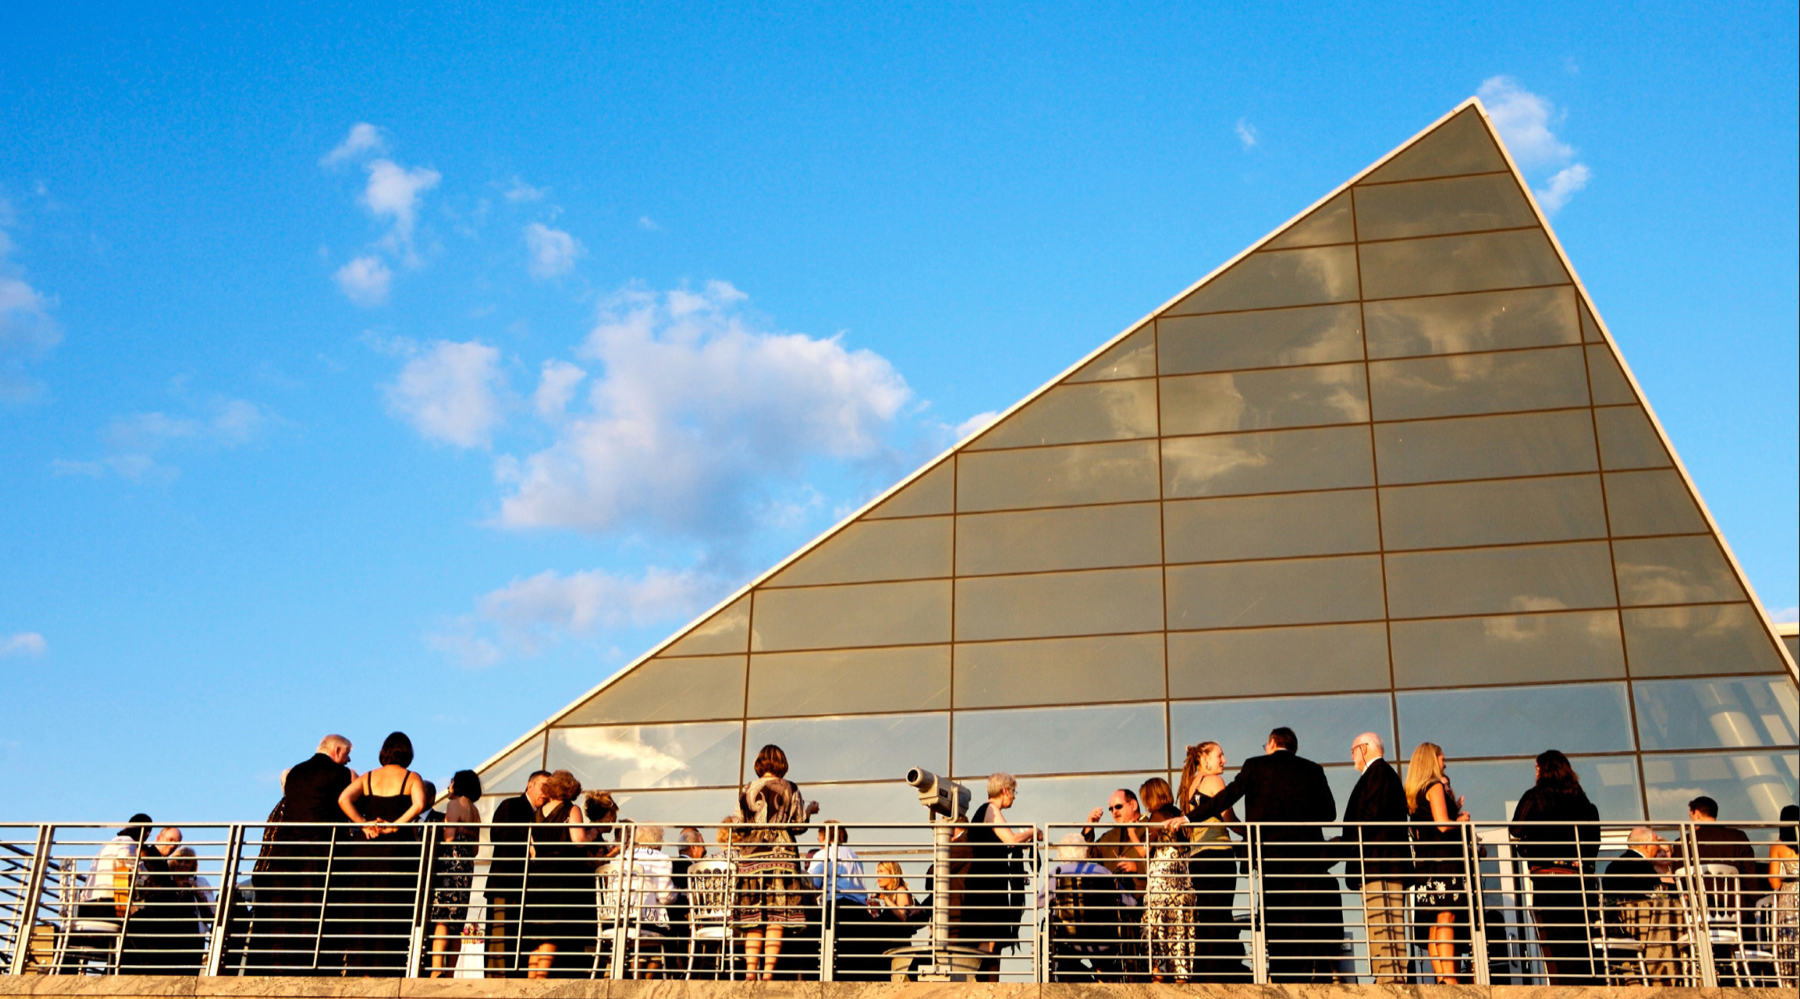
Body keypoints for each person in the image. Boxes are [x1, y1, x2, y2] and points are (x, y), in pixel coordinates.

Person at [1169, 726, 1338, 983]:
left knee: (1277, 917)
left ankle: (1283, 979)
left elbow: (1225, 799)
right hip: (1306, 859)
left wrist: (1188, 817)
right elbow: (1329, 813)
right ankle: (1310, 979)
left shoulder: (1255, 767)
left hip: (1270, 856)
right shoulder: (1313, 769)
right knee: (1305, 916)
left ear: (1271, 744)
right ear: (1292, 747)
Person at [256, 734, 353, 971]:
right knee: (315, 913)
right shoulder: (339, 774)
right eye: (347, 754)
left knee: (286, 913)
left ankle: (282, 965)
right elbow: (342, 807)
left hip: (285, 853)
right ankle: (314, 965)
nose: (348, 760)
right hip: (319, 852)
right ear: (337, 750)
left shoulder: (295, 773)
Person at [336, 731, 428, 975]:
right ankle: (386, 967)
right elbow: (419, 803)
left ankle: (359, 967)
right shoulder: (411, 778)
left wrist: (363, 823)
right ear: (407, 752)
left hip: (365, 851)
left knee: (362, 907)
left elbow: (344, 798)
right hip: (397, 851)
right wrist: (397, 823)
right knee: (391, 907)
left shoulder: (367, 777)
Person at [1508, 749, 1600, 985]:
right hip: (1578, 881)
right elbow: (1593, 836)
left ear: (1543, 769)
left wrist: (1528, 846)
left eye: (1537, 768)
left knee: (1556, 948)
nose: (1535, 772)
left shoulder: (1536, 795)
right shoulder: (1581, 798)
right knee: (1582, 945)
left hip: (1549, 880)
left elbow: (1515, 829)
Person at [733, 744, 816, 981]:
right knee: (776, 917)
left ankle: (750, 973)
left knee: (753, 918)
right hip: (782, 857)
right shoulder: (791, 788)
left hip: (752, 857)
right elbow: (798, 825)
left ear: (760, 763)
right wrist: (809, 811)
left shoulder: (747, 789)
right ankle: (768, 974)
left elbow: (738, 824)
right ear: (782, 763)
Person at [1339, 732, 1408, 984]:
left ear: (1365, 748)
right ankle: (1386, 976)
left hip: (1381, 864)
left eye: (1353, 750)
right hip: (1377, 864)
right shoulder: (1380, 774)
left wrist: (1345, 840)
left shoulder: (1379, 773)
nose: (1352, 756)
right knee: (1379, 924)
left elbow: (1371, 816)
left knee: (1385, 924)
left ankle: (1390, 979)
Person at [1404, 741, 1470, 984]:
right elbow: (1442, 824)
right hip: (1443, 862)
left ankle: (1442, 977)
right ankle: (1450, 979)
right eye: (1442, 759)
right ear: (1432, 760)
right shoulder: (1435, 786)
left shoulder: (1415, 793)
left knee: (1433, 921)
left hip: (1426, 864)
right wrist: (1461, 821)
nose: (1445, 763)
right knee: (1446, 917)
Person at [964, 772, 1038, 981]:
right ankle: (980, 985)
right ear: (1005, 790)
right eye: (1013, 792)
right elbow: (1011, 840)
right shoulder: (991, 809)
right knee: (988, 938)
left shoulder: (984, 811)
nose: (1014, 797)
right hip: (987, 885)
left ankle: (985, 984)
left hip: (985, 882)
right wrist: (1033, 831)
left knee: (990, 937)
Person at [521, 770, 594, 978]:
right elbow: (578, 839)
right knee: (552, 932)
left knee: (537, 936)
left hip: (538, 876)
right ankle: (541, 979)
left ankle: (531, 980)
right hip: (560, 876)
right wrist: (592, 833)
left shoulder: (537, 812)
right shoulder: (571, 810)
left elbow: (532, 850)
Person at [1081, 787, 1146, 978]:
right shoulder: (1108, 837)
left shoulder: (1151, 827)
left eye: (1118, 806)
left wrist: (1138, 867)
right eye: (1110, 809)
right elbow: (1088, 857)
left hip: (1143, 901)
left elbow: (1164, 859)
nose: (1114, 812)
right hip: (1113, 909)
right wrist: (1089, 827)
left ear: (1133, 804)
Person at [1600, 827, 1679, 984]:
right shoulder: (1643, 867)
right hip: (1641, 927)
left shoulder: (1612, 866)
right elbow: (1656, 894)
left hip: (1617, 927)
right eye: (1656, 844)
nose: (1657, 849)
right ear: (1647, 846)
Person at [1139, 777, 1196, 983]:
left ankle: (1158, 971)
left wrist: (1131, 831)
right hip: (1182, 882)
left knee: (1156, 923)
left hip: (1161, 881)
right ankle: (1181, 974)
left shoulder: (1157, 816)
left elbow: (1144, 851)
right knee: (1178, 925)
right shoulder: (1180, 816)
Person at [428, 769, 482, 978]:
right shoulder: (474, 811)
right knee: (457, 921)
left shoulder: (454, 804)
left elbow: (449, 837)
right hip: (466, 869)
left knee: (441, 918)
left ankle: (436, 970)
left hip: (449, 867)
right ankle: (450, 972)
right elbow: (476, 849)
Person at [1045, 833, 1117, 981]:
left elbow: (1041, 902)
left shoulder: (1057, 873)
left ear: (1061, 854)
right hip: (1102, 938)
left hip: (1068, 939)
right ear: (1085, 852)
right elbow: (1129, 901)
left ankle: (1076, 978)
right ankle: (1102, 974)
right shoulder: (1103, 872)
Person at [807, 821, 874, 979]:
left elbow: (812, 885)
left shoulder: (823, 854)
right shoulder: (854, 855)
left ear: (824, 837)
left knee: (828, 957)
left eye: (819, 838)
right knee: (852, 963)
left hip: (835, 909)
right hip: (858, 912)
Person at [618, 825, 676, 977]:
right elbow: (665, 896)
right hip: (645, 920)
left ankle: (635, 979)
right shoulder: (660, 858)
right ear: (657, 840)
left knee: (640, 940)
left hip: (619, 920)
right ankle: (646, 982)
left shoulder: (620, 857)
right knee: (665, 932)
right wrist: (676, 894)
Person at [870, 860, 927, 982]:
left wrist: (885, 899)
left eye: (881, 872)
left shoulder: (900, 891)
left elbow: (903, 916)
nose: (878, 876)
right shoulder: (890, 895)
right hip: (888, 949)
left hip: (897, 949)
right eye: (877, 872)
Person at [1767, 805, 1798, 987]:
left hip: (1789, 896)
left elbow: (1774, 881)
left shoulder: (1778, 846)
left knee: (1790, 940)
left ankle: (1791, 985)